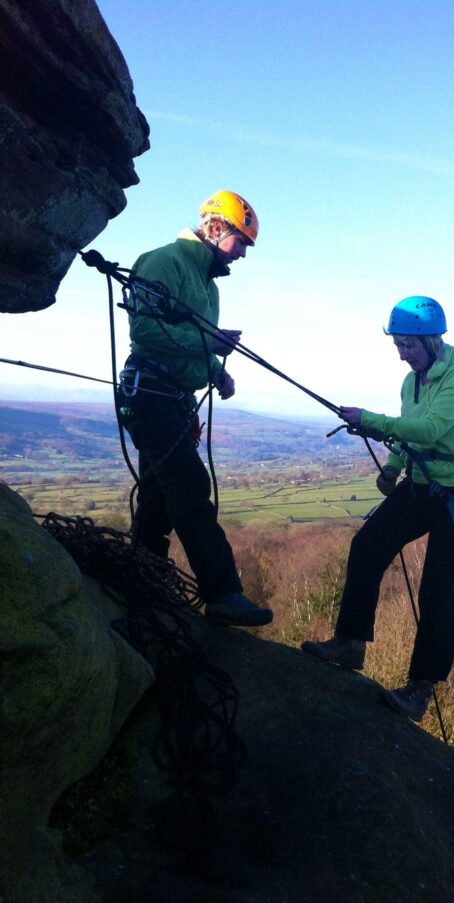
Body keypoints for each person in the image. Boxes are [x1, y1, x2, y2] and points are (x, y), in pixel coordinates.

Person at [302, 296, 454, 721]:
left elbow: (432, 428)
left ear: (432, 340)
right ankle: (350, 643)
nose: (403, 354)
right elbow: (411, 439)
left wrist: (371, 419)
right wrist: (392, 468)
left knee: (436, 590)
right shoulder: (413, 382)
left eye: (409, 345)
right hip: (420, 485)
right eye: (399, 346)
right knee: (367, 545)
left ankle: (421, 689)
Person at [120, 190, 272, 627]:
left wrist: (215, 370)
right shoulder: (163, 262)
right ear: (217, 228)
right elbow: (146, 331)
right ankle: (223, 593)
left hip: (172, 399)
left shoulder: (206, 284)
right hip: (150, 392)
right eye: (241, 242)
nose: (243, 254)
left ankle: (140, 577)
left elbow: (189, 341)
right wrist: (211, 344)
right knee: (188, 482)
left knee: (158, 498)